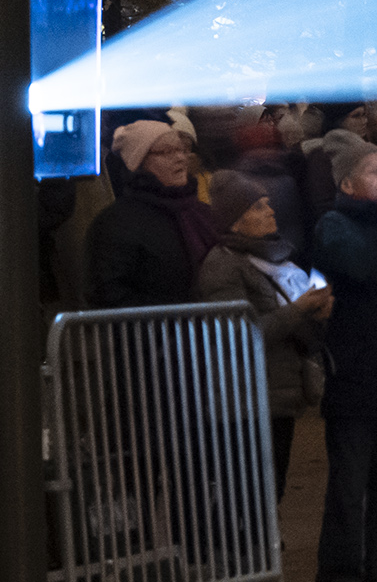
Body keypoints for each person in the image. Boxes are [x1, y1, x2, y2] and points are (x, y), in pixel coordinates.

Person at [192, 172, 333, 504]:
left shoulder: (277, 259)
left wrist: (318, 312)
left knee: (272, 488)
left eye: (268, 204)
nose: (270, 211)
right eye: (258, 207)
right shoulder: (223, 266)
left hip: (277, 391)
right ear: (236, 223)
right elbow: (237, 334)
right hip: (246, 397)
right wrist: (299, 309)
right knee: (252, 493)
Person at [86, 120, 213, 306]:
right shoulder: (117, 223)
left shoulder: (202, 213)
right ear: (140, 162)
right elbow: (109, 294)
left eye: (182, 150)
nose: (180, 158)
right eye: (167, 152)